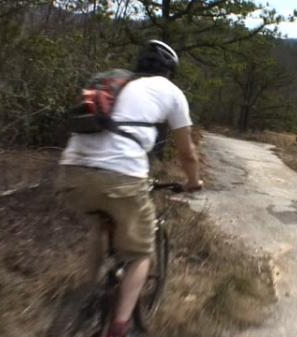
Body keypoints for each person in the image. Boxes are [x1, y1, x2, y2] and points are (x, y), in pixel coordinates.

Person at [55, 40, 203, 337]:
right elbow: (187, 153)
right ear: (170, 71)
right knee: (141, 252)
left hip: (71, 173)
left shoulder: (115, 81)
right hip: (122, 177)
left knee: (99, 224)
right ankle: (120, 326)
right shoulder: (171, 92)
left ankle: (92, 287)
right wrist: (193, 182)